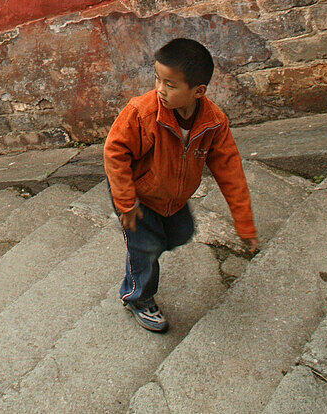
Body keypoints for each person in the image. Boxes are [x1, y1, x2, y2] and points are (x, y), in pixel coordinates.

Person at [103, 37, 257, 332]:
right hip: (136, 194)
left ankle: (142, 249)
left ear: (198, 91)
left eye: (170, 84)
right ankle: (138, 296)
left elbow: (231, 172)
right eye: (158, 79)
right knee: (145, 248)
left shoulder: (214, 123)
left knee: (181, 233)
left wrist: (245, 224)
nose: (160, 89)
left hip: (172, 196)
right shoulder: (142, 113)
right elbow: (114, 151)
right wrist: (125, 202)